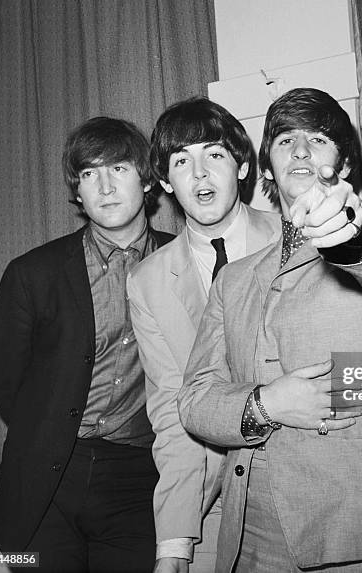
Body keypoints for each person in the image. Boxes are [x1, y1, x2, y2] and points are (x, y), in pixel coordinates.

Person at [178, 87, 362, 572]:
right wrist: (266, 403)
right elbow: (195, 400)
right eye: (285, 140)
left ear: (344, 166)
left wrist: (351, 229)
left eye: (319, 139)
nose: (301, 150)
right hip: (253, 537)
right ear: (265, 169)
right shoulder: (233, 279)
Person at [0, 117, 174, 572]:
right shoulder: (32, 273)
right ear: (78, 192)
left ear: (147, 179)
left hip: (139, 476)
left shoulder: (185, 261)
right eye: (90, 174)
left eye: (119, 169)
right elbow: (5, 380)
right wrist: (49, 430)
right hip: (45, 476)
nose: (105, 186)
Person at [127, 97, 280, 573]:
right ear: (166, 182)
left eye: (213, 154)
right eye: (180, 161)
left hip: (306, 485)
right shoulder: (147, 280)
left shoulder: (294, 236)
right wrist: (172, 544)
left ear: (241, 166)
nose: (198, 174)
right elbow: (173, 409)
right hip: (213, 504)